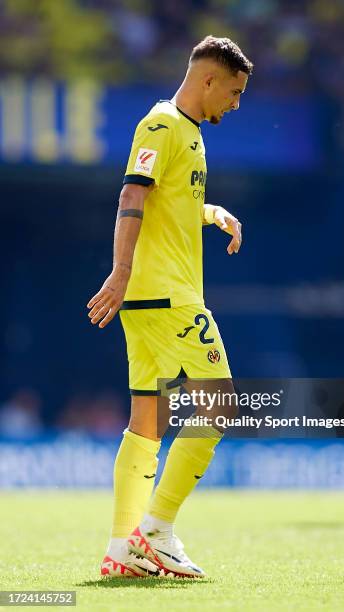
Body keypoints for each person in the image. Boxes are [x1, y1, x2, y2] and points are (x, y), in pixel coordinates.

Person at [87, 35, 253, 578]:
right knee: (221, 405)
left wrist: (209, 212)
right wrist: (121, 272)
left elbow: (166, 200)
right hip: (167, 295)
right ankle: (156, 530)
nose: (235, 102)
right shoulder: (162, 125)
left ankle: (121, 550)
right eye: (232, 91)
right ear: (208, 80)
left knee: (147, 420)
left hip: (152, 298)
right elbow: (131, 196)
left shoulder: (190, 134)